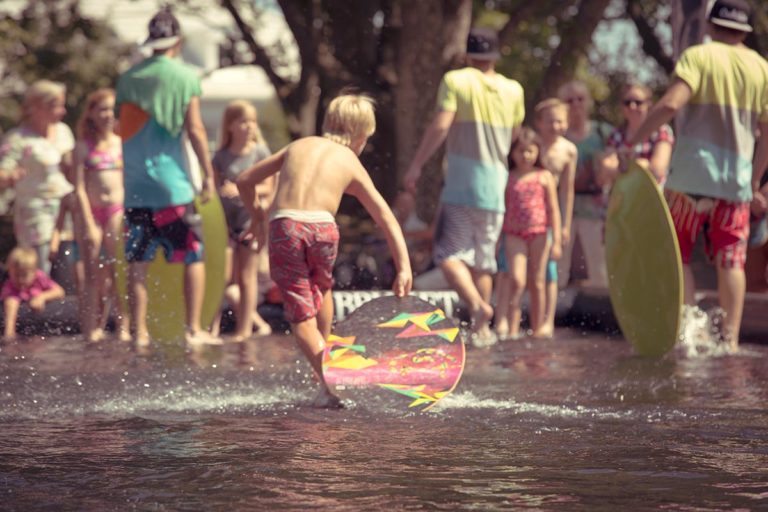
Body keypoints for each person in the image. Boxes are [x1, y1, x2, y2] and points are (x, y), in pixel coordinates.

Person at [236, 92, 412, 407]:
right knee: (322, 287)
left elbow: (245, 180)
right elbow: (386, 216)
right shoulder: (351, 162)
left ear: (328, 122)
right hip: (324, 227)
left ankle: (335, 381)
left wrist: (258, 218)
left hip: (285, 227)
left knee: (300, 318)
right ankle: (328, 368)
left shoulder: (298, 145)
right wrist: (404, 267)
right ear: (360, 136)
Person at [626, 0, 768, 349]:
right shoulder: (762, 68)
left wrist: (635, 140)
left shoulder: (699, 56)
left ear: (710, 25)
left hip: (689, 180)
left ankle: (689, 330)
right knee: (731, 260)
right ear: (745, 31)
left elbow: (672, 103)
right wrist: (754, 180)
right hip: (735, 183)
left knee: (681, 257)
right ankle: (730, 341)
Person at [403, 27, 525, 346]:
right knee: (483, 261)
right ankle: (481, 331)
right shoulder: (513, 89)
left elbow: (442, 124)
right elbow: (514, 138)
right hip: (495, 189)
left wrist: (416, 164)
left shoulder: (456, 81)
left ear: (468, 55)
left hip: (461, 187)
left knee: (448, 255)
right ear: (495, 55)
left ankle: (478, 307)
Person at [115, 9, 220, 347]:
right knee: (193, 253)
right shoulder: (186, 77)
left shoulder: (128, 78)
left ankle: (139, 333)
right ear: (178, 42)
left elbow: (125, 129)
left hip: (135, 186)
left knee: (138, 261)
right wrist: (208, 174)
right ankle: (193, 330)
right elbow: (196, 129)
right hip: (173, 186)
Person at [212, 100, 274, 341]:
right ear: (230, 126)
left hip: (249, 220)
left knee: (247, 277)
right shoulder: (220, 157)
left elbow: (269, 188)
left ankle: (244, 329)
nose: (249, 127)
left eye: (252, 122)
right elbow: (213, 188)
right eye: (243, 122)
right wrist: (220, 192)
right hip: (225, 222)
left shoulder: (259, 153)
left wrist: (241, 190)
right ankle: (213, 328)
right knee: (223, 278)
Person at [72, 88, 131, 343]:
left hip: (116, 210)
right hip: (92, 212)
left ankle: (123, 328)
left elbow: (128, 181)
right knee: (92, 272)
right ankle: (90, 328)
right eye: (103, 109)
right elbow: (79, 188)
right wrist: (87, 221)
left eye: (111, 109)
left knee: (120, 271)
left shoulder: (121, 144)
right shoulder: (83, 147)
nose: (108, 115)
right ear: (92, 113)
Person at [0, 80, 75, 274]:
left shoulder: (64, 132)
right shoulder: (18, 139)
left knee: (69, 266)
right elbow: (2, 172)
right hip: (36, 214)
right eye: (55, 105)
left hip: (66, 210)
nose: (62, 111)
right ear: (36, 107)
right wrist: (10, 176)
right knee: (42, 267)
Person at [494, 128, 562, 340]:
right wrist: (498, 239)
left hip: (540, 233)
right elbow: (502, 207)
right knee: (517, 279)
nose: (525, 156)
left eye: (530, 151)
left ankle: (538, 326)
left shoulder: (544, 176)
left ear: (538, 152)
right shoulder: (508, 177)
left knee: (539, 281)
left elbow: (553, 209)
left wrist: (557, 240)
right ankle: (513, 326)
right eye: (521, 151)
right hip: (514, 233)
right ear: (513, 153)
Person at [557, 79, 612, 289]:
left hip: (596, 210)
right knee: (559, 264)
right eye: (569, 100)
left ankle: (603, 311)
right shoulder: (557, 135)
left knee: (599, 265)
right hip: (564, 211)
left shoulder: (603, 133)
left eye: (580, 99)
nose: (575, 104)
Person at [533, 98, 577, 338]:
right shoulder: (532, 145)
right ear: (539, 123)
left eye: (560, 121)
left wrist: (565, 226)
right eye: (549, 120)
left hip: (550, 216)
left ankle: (548, 320)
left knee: (550, 268)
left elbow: (567, 190)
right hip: (527, 213)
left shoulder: (569, 150)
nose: (554, 125)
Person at [598, 82, 674, 187]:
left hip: (651, 195)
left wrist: (623, 166)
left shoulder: (662, 131)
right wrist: (640, 166)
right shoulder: (616, 134)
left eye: (638, 102)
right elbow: (605, 169)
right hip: (624, 196)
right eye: (627, 102)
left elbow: (657, 170)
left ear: (648, 104)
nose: (632, 106)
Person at [2, 247, 65, 340]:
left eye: (24, 275)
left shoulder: (39, 277)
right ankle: (9, 333)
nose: (20, 279)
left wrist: (42, 297)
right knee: (10, 302)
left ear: (34, 271)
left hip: (37, 303)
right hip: (15, 300)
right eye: (16, 275)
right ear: (9, 271)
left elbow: (60, 291)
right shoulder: (10, 285)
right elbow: (8, 299)